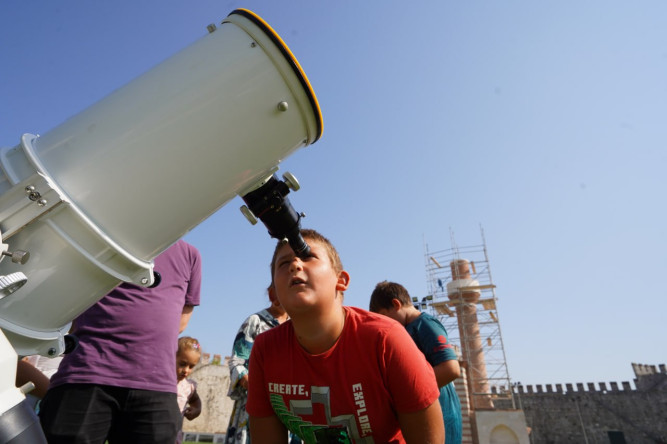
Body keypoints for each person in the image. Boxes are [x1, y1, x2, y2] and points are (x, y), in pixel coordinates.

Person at [247, 229, 444, 443]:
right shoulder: (265, 350)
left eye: (308, 256)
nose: (295, 265)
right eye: (283, 264)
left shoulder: (386, 339)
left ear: (341, 280)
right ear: (273, 294)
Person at [39, 239, 202, 444]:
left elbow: (181, 320)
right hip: (86, 374)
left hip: (157, 385)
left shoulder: (190, 255)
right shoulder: (98, 232)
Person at [370, 280, 463, 444]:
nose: (384, 325)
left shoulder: (425, 324)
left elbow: (451, 368)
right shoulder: (406, 330)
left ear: (396, 304)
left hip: (442, 416)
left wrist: (407, 392)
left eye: (384, 318)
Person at [225, 286, 291, 444]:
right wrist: (254, 385)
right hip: (255, 402)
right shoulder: (255, 321)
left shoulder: (297, 325)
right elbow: (237, 361)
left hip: (288, 405)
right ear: (272, 294)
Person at [176, 336, 202, 444]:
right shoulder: (162, 381)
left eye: (191, 366)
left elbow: (195, 400)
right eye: (182, 364)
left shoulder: (188, 387)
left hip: (174, 436)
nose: (186, 370)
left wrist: (196, 409)